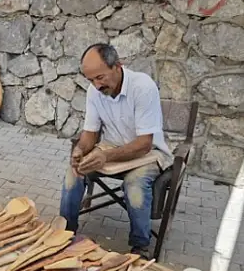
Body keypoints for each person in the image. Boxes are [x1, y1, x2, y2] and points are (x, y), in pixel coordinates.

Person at [59, 43, 173, 255]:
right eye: (90, 80)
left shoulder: (142, 87)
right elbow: (90, 134)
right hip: (110, 146)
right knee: (73, 173)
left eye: (100, 77)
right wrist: (80, 150)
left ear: (118, 66)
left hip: (148, 152)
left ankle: (140, 246)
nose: (96, 85)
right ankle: (65, 233)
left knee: (135, 185)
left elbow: (144, 143)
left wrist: (105, 155)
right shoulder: (94, 92)